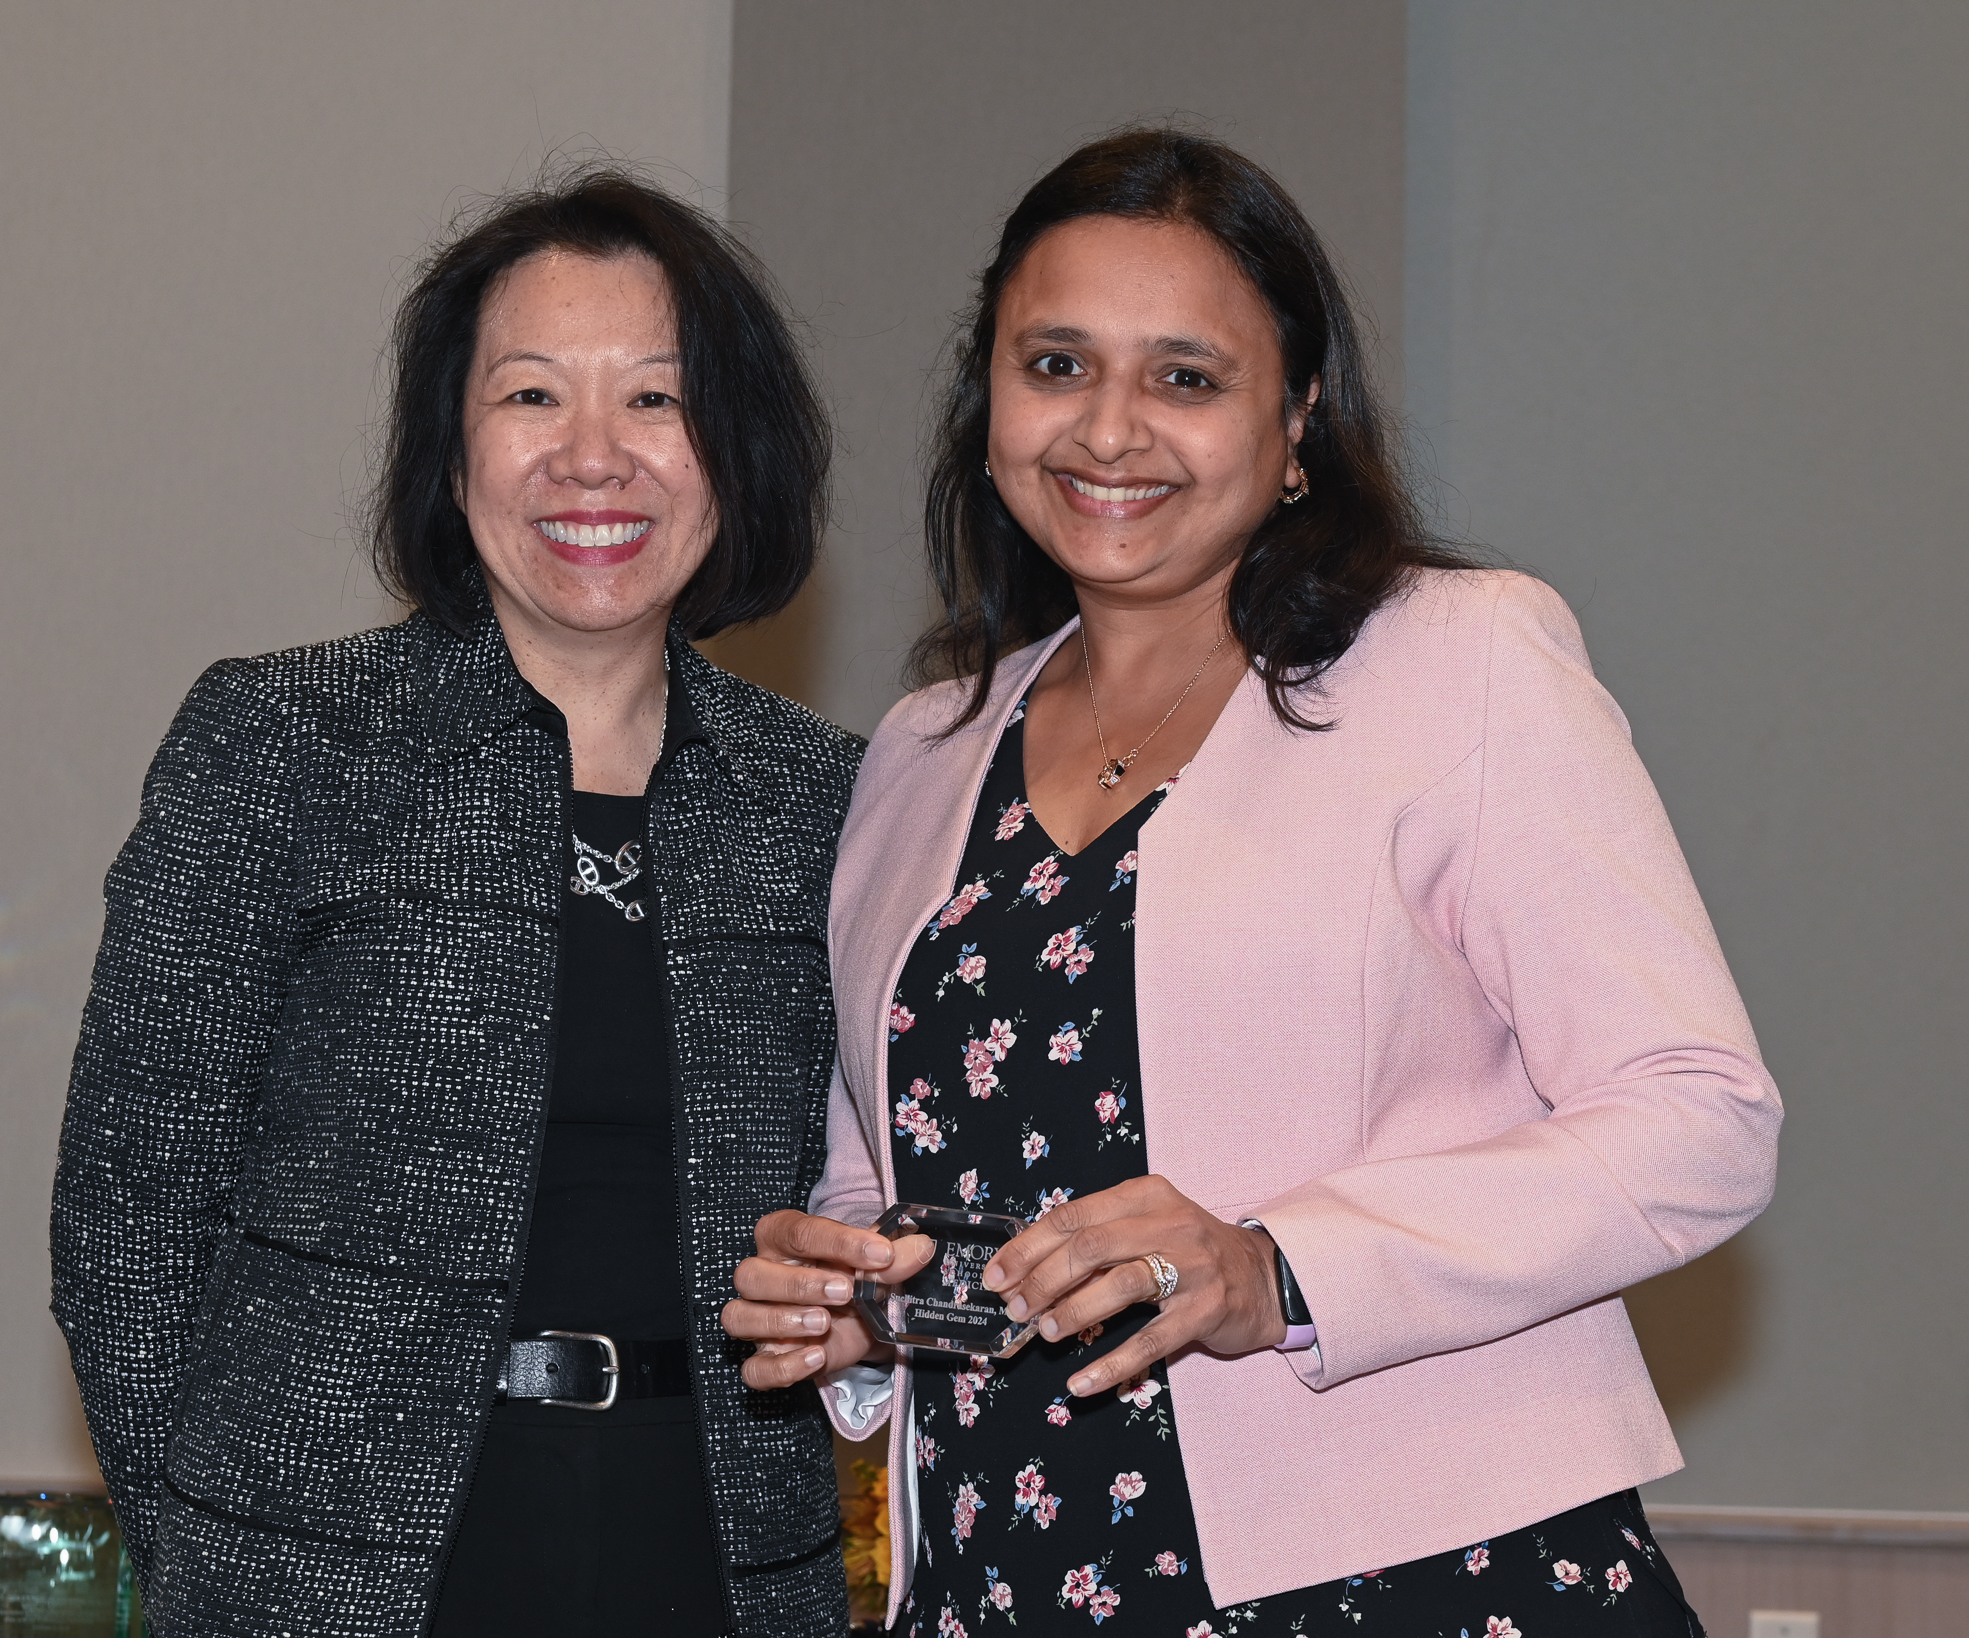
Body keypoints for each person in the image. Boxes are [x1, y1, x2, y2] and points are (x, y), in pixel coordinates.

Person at [725, 129, 1778, 1635]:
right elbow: (882, 1182)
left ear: (1296, 426)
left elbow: (1702, 1118)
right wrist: (851, 1307)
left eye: (1186, 377)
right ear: (989, 410)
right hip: (1005, 1573)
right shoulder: (921, 747)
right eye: (1057, 365)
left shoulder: (1460, 660)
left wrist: (1277, 1269)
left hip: (1410, 1573)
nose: (1110, 429)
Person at [52, 169, 861, 1638]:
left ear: (732, 451)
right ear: (451, 450)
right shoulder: (286, 741)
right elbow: (130, 1203)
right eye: (533, 397)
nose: (594, 458)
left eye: (658, 402)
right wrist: (219, 1552)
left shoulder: (827, 798)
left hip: (725, 1560)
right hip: (326, 1572)